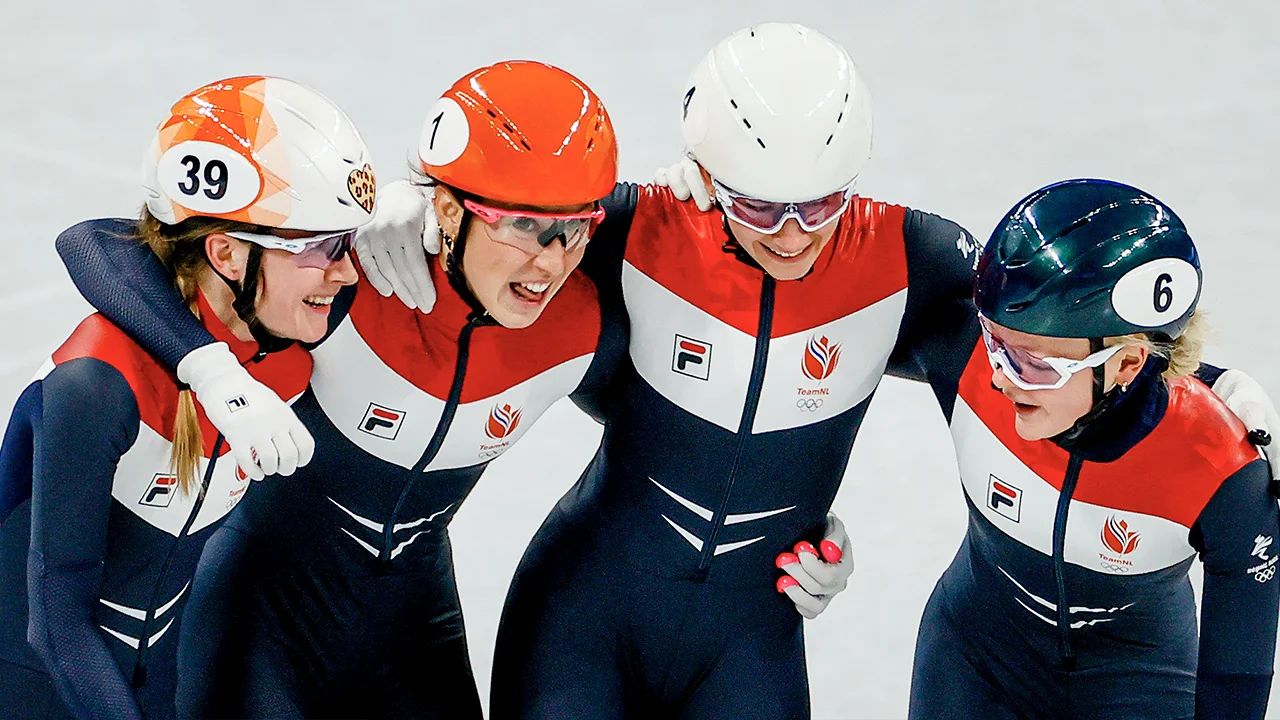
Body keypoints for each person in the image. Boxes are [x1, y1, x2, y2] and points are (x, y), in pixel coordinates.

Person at [360, 24, 1278, 719]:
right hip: (585, 613)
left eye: (822, 206)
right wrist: (404, 201)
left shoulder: (907, 258)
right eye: (761, 207)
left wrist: (1207, 376)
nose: (796, 235)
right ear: (709, 174)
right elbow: (512, 212)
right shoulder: (638, 228)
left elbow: (1062, 314)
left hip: (752, 632)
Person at [56, 61, 622, 719]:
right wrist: (214, 372)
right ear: (447, 207)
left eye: (574, 226)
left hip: (415, 630)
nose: (551, 259)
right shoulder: (348, 280)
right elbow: (96, 244)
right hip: (260, 622)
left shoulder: (585, 327)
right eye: (521, 224)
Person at [0, 75, 370, 720]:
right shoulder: (98, 382)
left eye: (351, 243)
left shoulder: (286, 344)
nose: (345, 272)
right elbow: (54, 626)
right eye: (322, 245)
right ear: (226, 252)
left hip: (154, 682)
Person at [905, 178, 1278, 720]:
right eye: (996, 344)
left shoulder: (1222, 467)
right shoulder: (965, 360)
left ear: (1126, 364)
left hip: (1137, 685)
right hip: (972, 664)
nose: (1004, 379)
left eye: (1035, 364)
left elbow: (1239, 672)